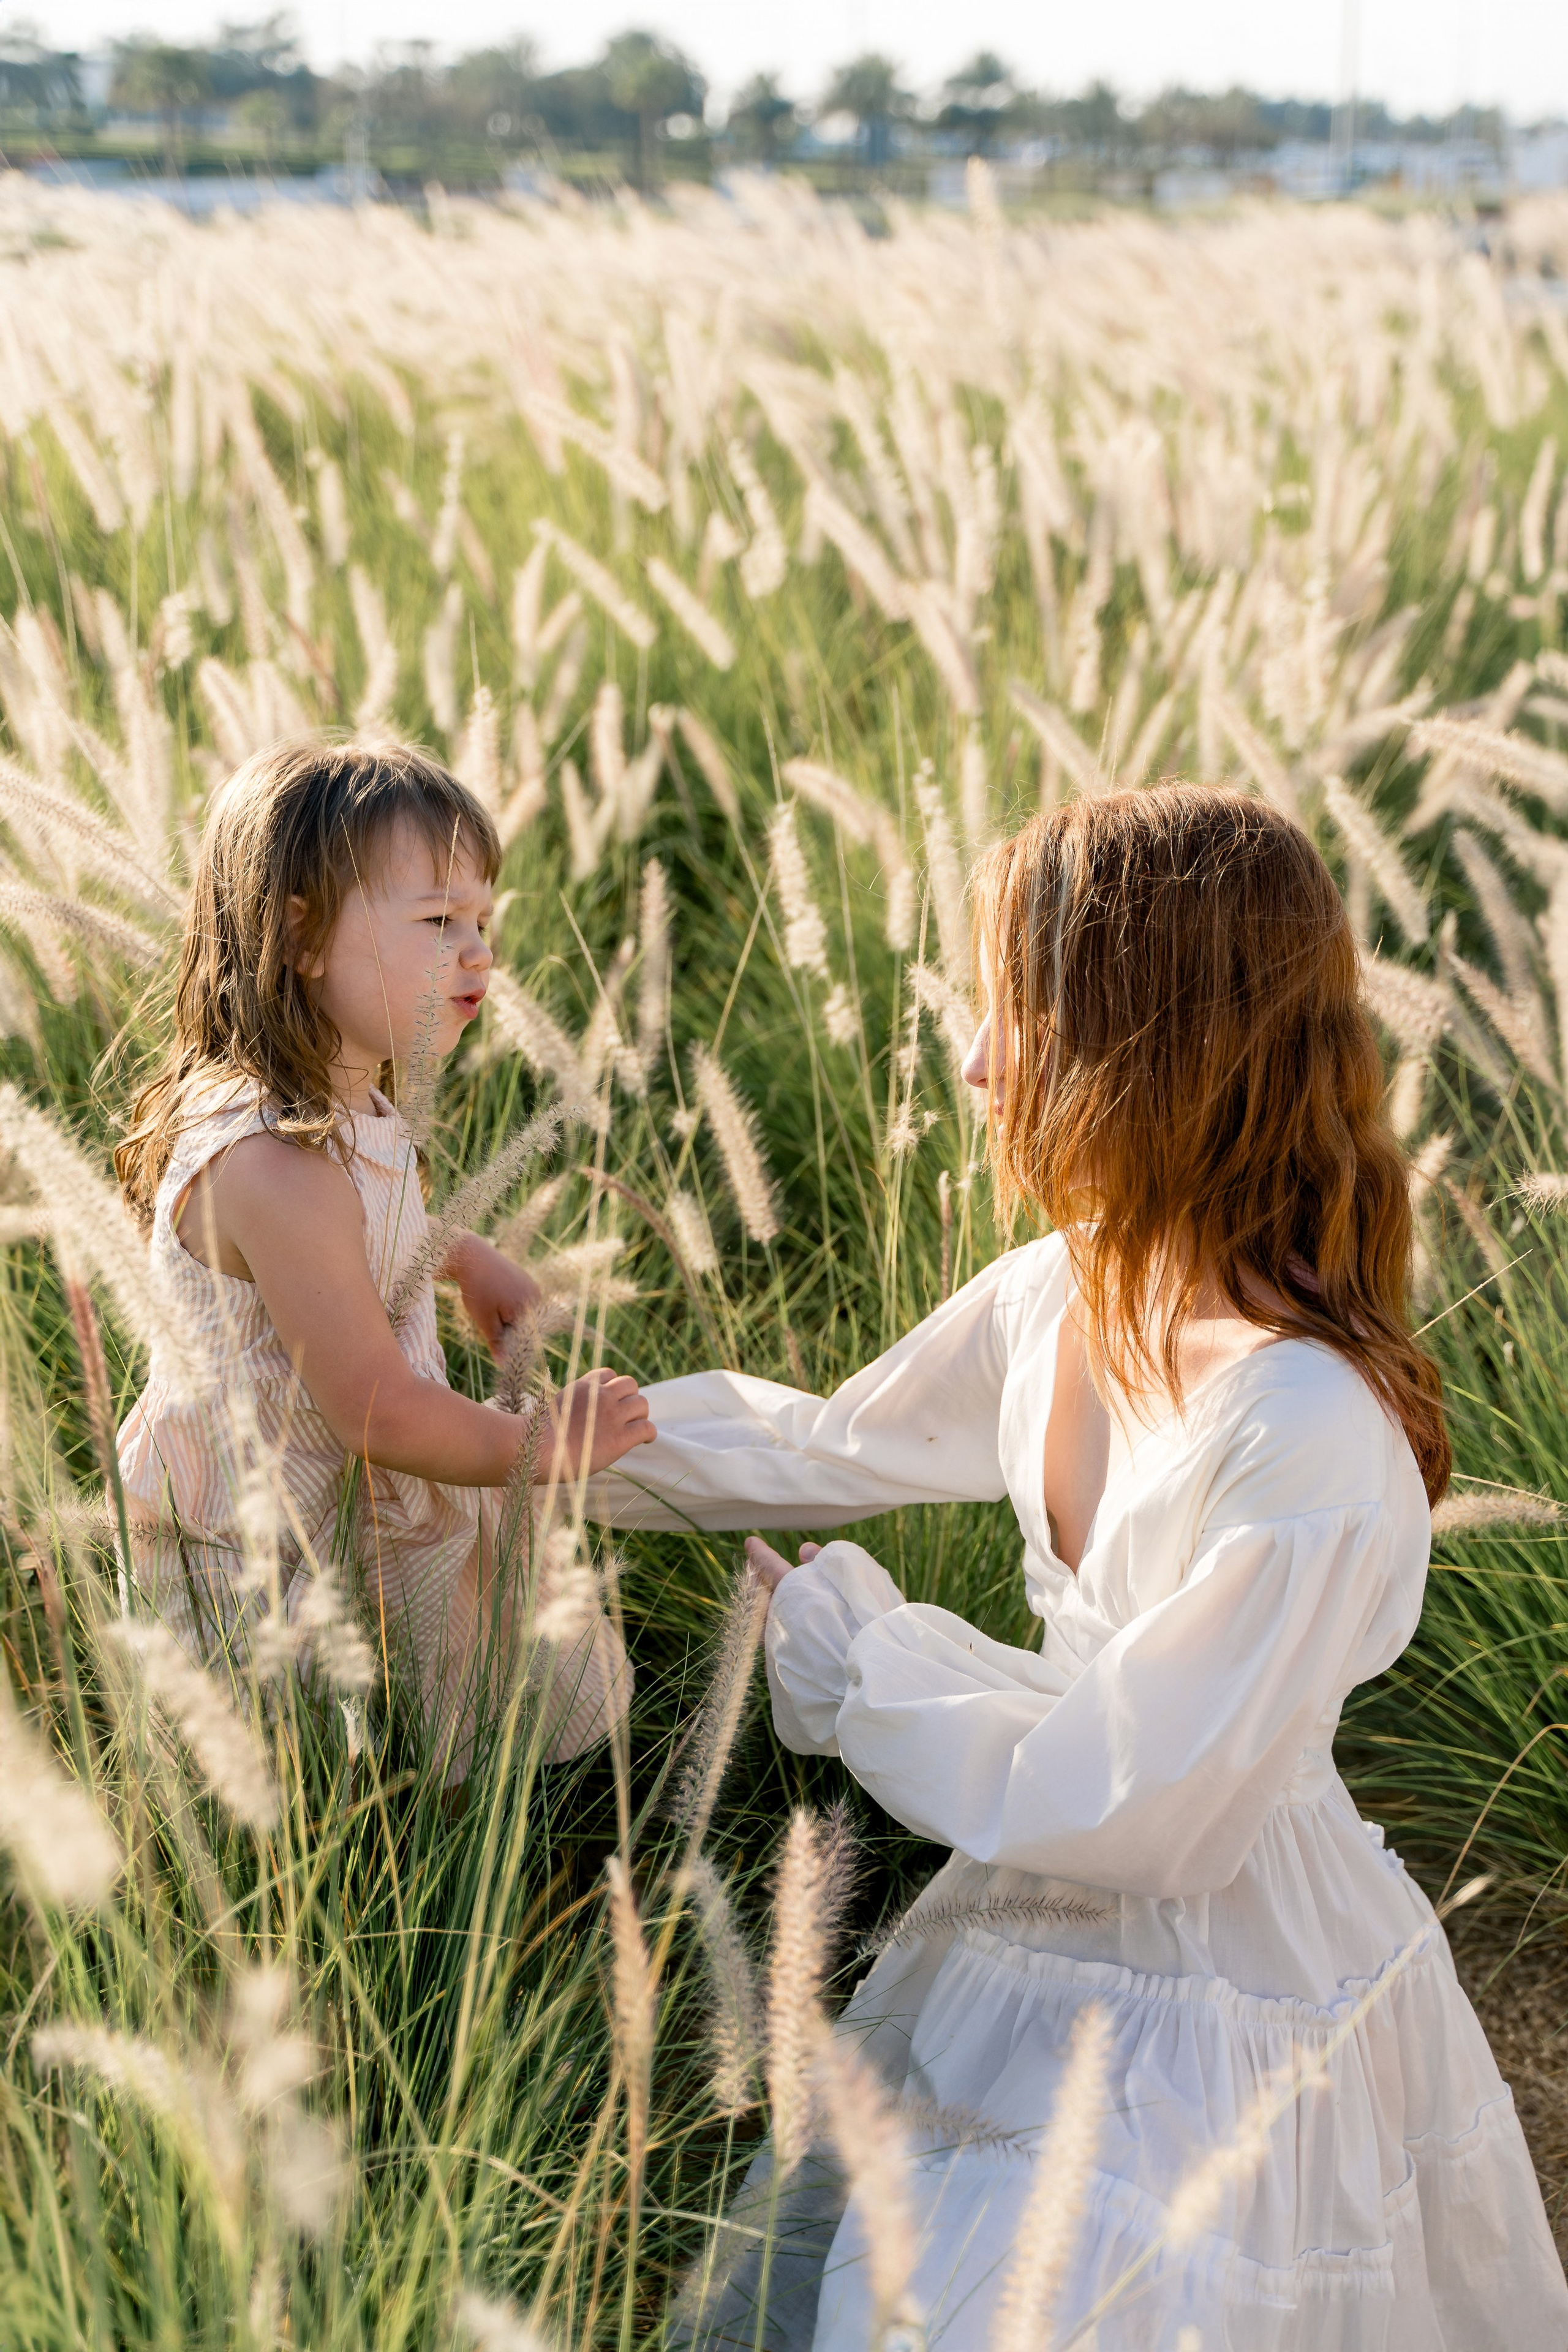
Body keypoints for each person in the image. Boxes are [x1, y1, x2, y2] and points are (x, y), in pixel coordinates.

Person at [590, 786, 1567, 2347]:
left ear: (1150, 1045)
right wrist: (526, 1443)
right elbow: (823, 1444)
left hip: (1231, 2002)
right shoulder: (1063, 1289)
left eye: (1016, 1014)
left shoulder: (1306, 1434)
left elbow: (1145, 1811)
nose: (975, 1062)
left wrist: (866, 1659)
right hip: (1018, 1933)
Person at [115, 741, 655, 1777]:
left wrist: (459, 1254)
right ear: (301, 936)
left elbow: (363, 1229)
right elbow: (377, 1413)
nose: (480, 953)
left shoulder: (339, 1096)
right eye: (439, 921)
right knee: (340, 1787)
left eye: (483, 921)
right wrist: (543, 1445)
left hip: (350, 1511)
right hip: (279, 1566)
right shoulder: (274, 1165)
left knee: (441, 1710)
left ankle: (440, 1811)